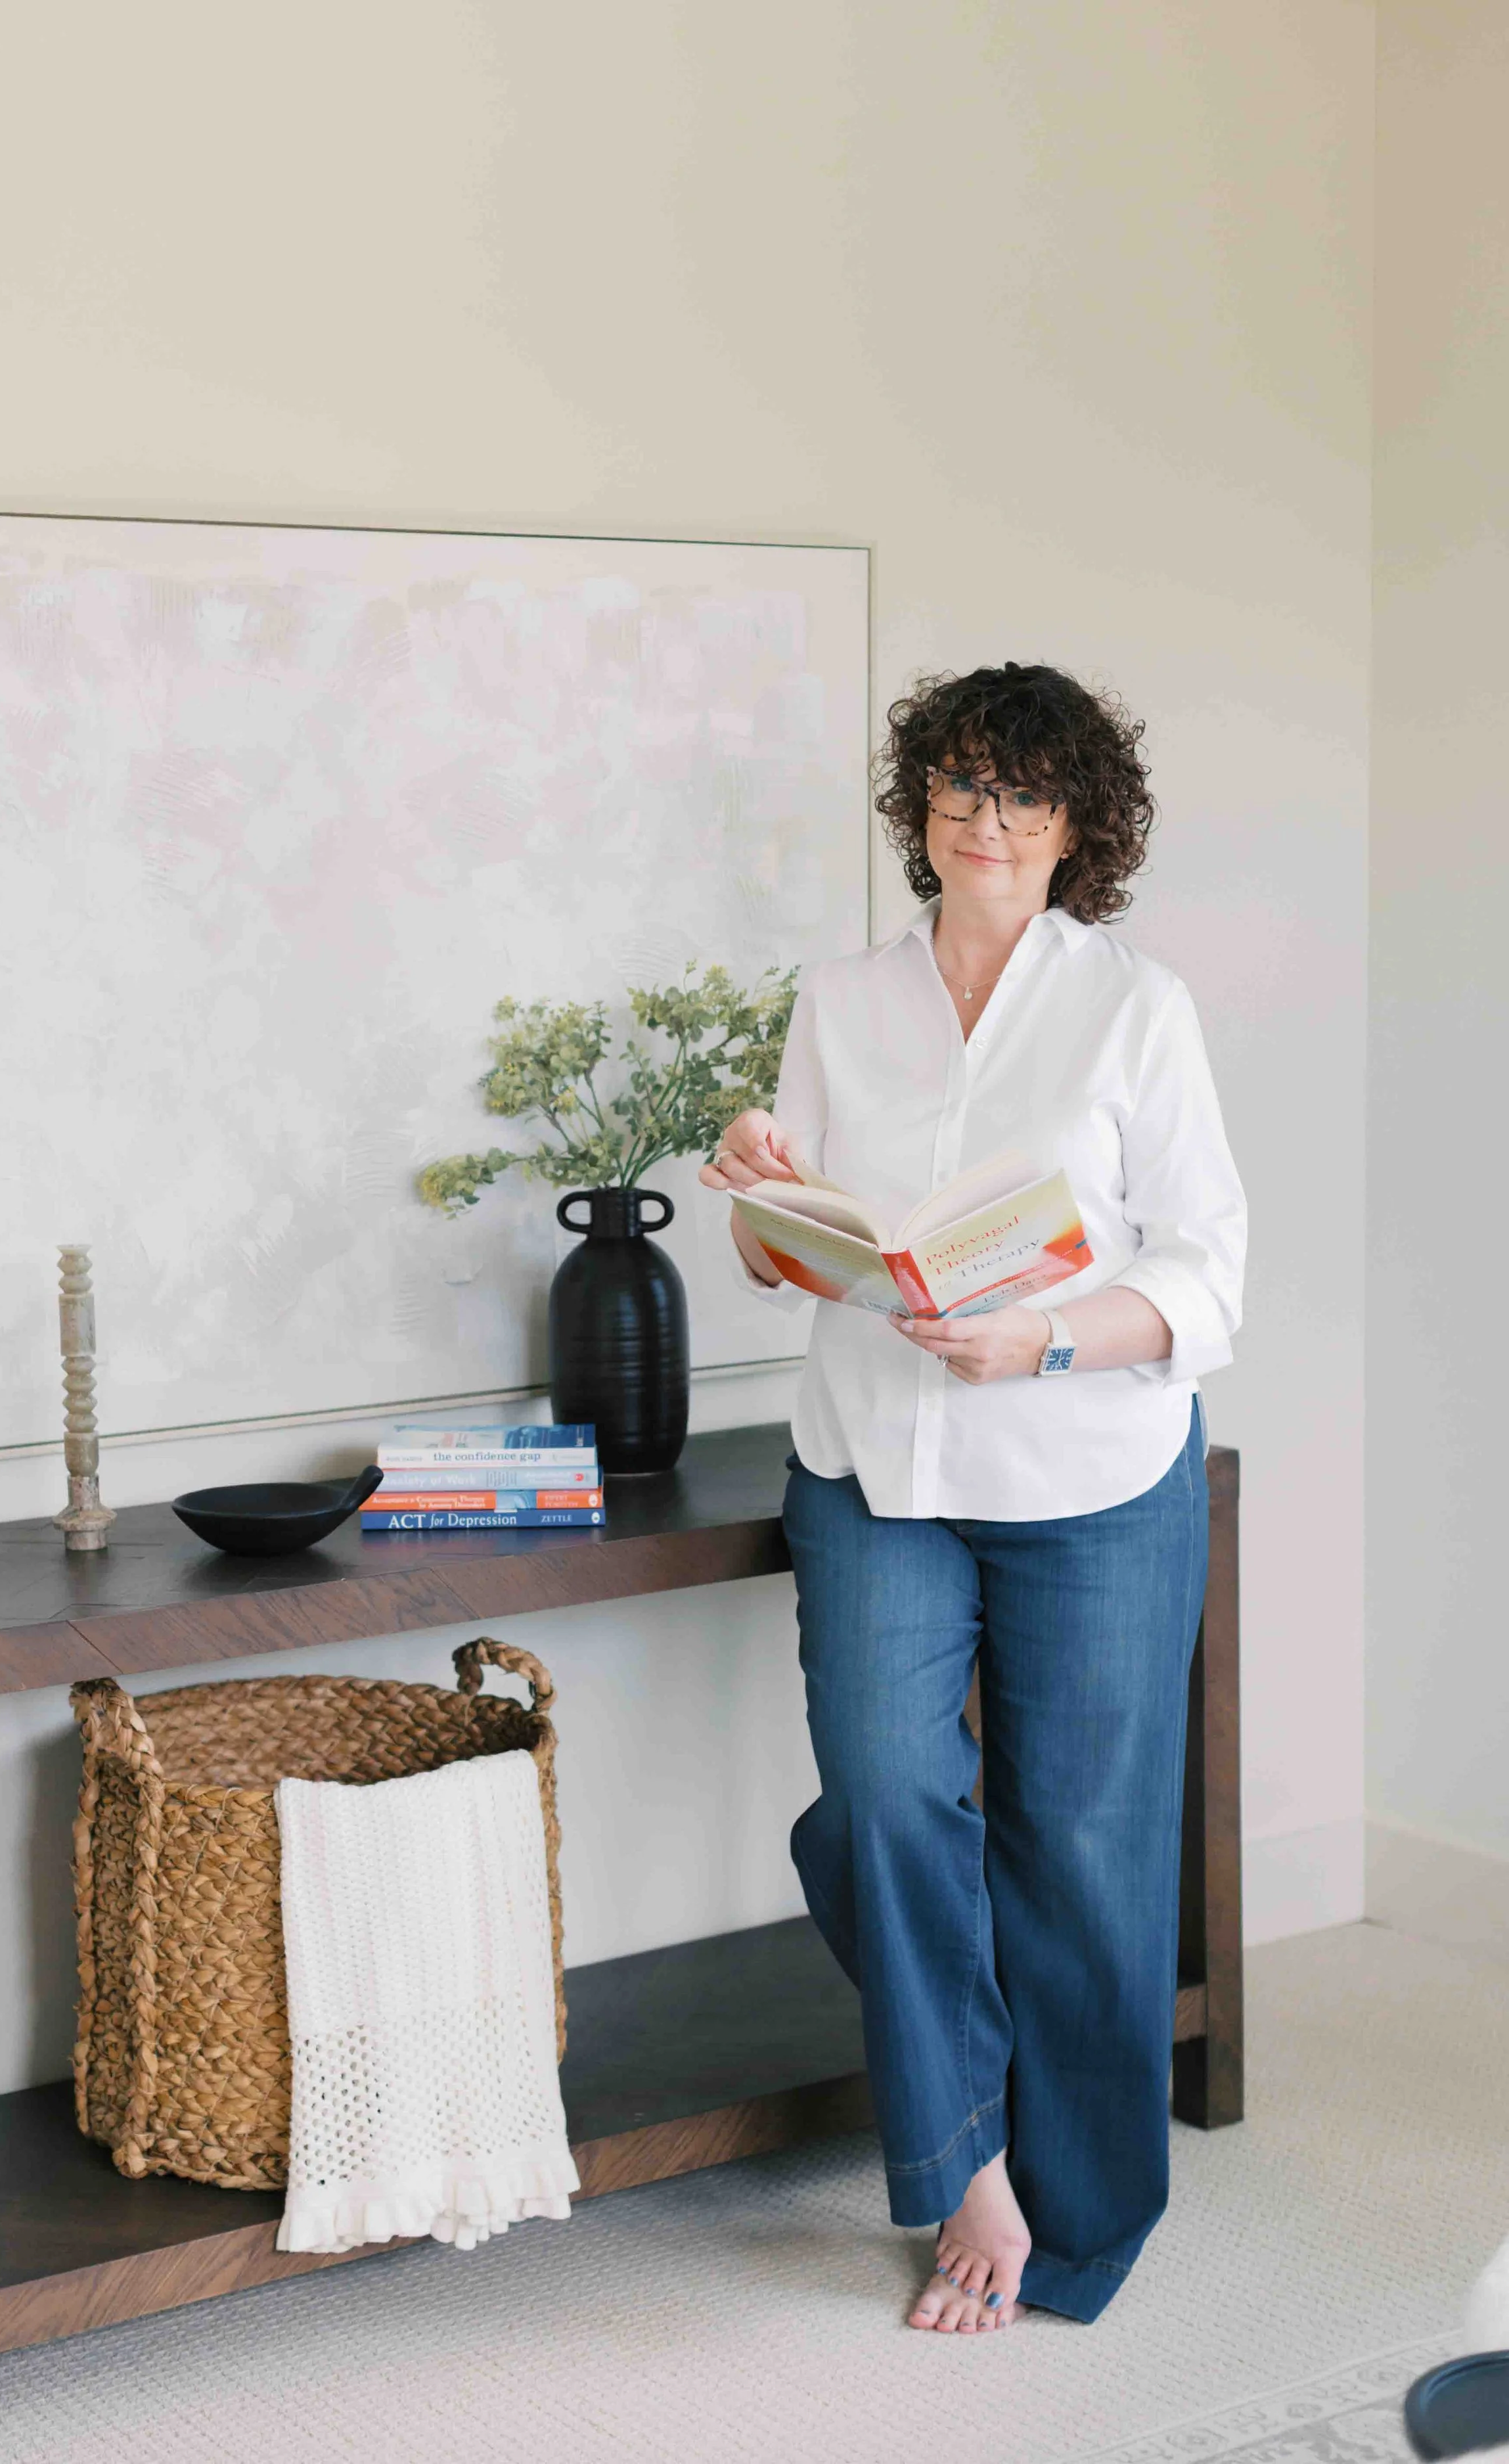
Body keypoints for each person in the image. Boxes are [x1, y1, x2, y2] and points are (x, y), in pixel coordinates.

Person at [700, 662, 1246, 2336]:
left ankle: (1070, 2223)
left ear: (1075, 823)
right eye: (953, 789)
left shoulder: (1133, 1008)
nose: (981, 821)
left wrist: (1049, 1342)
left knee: (1080, 1846)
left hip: (1087, 1463)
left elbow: (1211, 1278)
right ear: (916, 811)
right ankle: (965, 2165)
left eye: (1017, 795)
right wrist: (757, 1193)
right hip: (875, 1457)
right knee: (877, 1801)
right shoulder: (837, 998)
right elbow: (782, 1254)